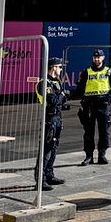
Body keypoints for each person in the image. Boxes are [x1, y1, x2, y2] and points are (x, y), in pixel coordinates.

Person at [74, 49, 111, 166]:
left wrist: (109, 97)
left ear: (103, 58)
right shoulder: (86, 72)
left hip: (103, 105)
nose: (97, 59)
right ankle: (89, 156)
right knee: (88, 132)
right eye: (95, 57)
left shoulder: (109, 72)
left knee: (104, 131)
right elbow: (79, 88)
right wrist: (84, 99)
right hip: (89, 105)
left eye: (99, 57)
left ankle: (102, 155)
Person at [36, 58, 68, 190]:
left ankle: (49, 175)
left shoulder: (56, 82)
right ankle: (40, 180)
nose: (61, 69)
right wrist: (61, 95)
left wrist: (61, 95)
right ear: (53, 67)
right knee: (46, 150)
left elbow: (62, 99)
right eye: (59, 67)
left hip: (57, 118)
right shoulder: (45, 82)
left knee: (54, 148)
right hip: (48, 118)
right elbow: (54, 100)